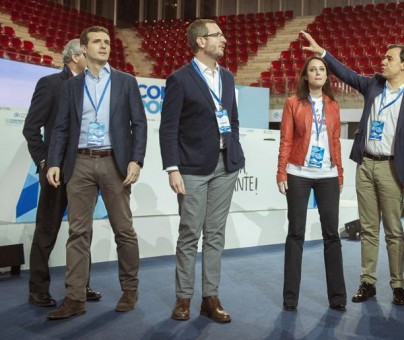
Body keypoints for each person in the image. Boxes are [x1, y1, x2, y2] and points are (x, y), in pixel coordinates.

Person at [301, 31, 404, 306]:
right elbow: (346, 74)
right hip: (366, 164)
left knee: (394, 230)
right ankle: (367, 282)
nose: (382, 61)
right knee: (369, 229)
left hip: (393, 168)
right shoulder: (373, 85)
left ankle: (397, 285)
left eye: (389, 58)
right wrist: (323, 53)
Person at [45, 26, 146, 320]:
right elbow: (61, 127)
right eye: (97, 42)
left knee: (124, 231)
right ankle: (75, 298)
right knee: (78, 233)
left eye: (106, 42)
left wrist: (136, 160)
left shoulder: (126, 82)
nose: (104, 46)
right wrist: (53, 162)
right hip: (79, 164)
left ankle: (130, 290)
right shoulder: (71, 87)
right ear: (84, 49)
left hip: (115, 163)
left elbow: (139, 124)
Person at [159, 18, 245, 323]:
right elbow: (168, 128)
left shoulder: (229, 78)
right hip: (192, 167)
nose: (223, 39)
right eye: (217, 35)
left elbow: (231, 119)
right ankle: (183, 298)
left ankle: (210, 297)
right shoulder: (179, 79)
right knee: (189, 234)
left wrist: (234, 150)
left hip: (226, 166)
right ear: (200, 42)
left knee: (215, 234)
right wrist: (172, 168)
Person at [22, 39, 102, 307]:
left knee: (82, 232)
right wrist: (45, 162)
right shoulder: (50, 84)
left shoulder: (94, 86)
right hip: (55, 173)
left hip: (85, 170)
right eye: (87, 50)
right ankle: (38, 290)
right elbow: (31, 128)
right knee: (47, 231)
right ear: (76, 56)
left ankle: (80, 286)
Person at [276, 56, 347, 312]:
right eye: (313, 70)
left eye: (322, 69)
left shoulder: (334, 105)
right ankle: (290, 298)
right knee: (296, 234)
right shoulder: (292, 103)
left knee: (332, 236)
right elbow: (285, 139)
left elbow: (336, 141)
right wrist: (281, 172)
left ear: (327, 76)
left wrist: (339, 173)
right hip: (298, 173)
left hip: (327, 175)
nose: (318, 73)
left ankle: (338, 297)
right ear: (305, 76)